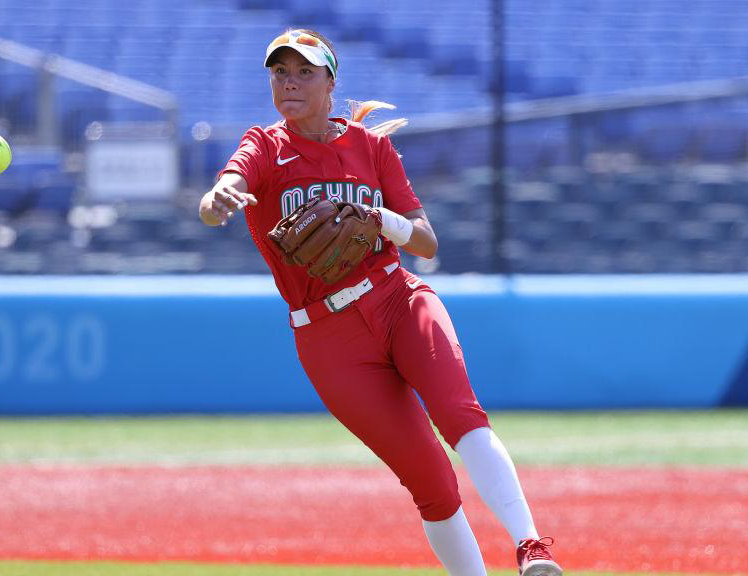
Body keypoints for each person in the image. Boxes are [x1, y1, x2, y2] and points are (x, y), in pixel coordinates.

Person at [198, 28, 562, 576]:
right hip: (328, 337)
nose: (289, 83)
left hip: (398, 298)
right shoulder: (266, 147)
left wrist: (376, 219)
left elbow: (426, 240)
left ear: (330, 81)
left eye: (303, 72)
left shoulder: (370, 147)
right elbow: (220, 191)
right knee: (431, 484)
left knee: (460, 416)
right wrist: (216, 195)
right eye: (280, 73)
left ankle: (532, 547)